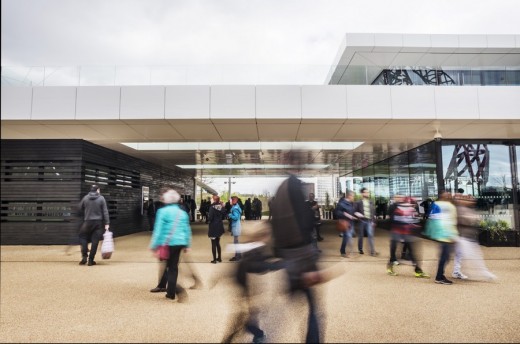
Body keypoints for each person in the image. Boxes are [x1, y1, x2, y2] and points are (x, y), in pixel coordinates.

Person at [270, 175, 323, 343]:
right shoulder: (293, 188)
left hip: (289, 260)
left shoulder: (281, 191)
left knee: (280, 313)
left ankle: (260, 335)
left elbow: (276, 231)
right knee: (313, 311)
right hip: (301, 260)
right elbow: (305, 224)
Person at [221, 223, 284, 344]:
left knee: (245, 318)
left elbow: (259, 262)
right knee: (244, 319)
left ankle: (254, 334)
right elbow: (258, 266)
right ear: (262, 236)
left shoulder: (251, 247)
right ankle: (256, 334)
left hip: (245, 288)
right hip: (247, 289)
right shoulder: (254, 249)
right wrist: (279, 264)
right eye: (267, 236)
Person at [149, 187, 192, 301]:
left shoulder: (162, 212)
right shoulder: (182, 213)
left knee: (168, 266)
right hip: (180, 242)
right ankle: (170, 292)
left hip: (167, 243)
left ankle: (176, 290)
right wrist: (187, 244)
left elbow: (158, 230)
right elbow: (187, 229)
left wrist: (153, 246)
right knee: (173, 267)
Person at [451, 194, 496, 281]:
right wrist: (473, 218)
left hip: (467, 237)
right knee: (471, 255)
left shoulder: (467, 209)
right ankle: (483, 272)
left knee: (461, 255)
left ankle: (457, 271)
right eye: (468, 200)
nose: (471, 202)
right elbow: (462, 220)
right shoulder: (459, 209)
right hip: (462, 237)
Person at [386, 195, 430, 278]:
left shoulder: (411, 210)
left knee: (412, 253)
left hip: (408, 235)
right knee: (397, 254)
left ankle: (418, 270)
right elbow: (397, 223)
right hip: (399, 234)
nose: (414, 205)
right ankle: (390, 267)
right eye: (413, 204)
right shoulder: (400, 210)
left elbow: (415, 222)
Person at [427, 192, 459, 285]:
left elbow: (432, 218)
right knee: (445, 257)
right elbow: (453, 222)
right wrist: (453, 235)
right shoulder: (451, 206)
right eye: (449, 196)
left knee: (444, 256)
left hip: (439, 234)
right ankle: (439, 276)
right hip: (447, 235)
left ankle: (440, 275)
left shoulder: (435, 204)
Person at [78, 185, 110, 266]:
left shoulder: (85, 198)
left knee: (83, 237)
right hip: (98, 223)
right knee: (95, 241)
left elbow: (79, 208)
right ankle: (91, 260)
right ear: (97, 190)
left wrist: (86, 213)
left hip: (87, 222)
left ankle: (84, 256)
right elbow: (105, 212)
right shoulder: (101, 198)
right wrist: (107, 223)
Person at [354, 187, 378, 256]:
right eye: (366, 192)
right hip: (361, 221)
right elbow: (354, 211)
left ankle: (372, 251)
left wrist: (374, 221)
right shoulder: (358, 202)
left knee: (371, 236)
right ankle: (360, 249)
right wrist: (359, 215)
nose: (368, 193)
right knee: (361, 236)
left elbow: (373, 212)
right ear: (362, 193)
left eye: (368, 192)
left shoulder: (371, 202)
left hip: (369, 221)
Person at [336, 191, 356, 258]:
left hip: (350, 223)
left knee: (348, 237)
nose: (353, 198)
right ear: (349, 196)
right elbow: (337, 213)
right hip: (345, 223)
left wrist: (354, 214)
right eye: (353, 196)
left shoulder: (351, 203)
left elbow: (352, 211)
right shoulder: (341, 204)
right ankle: (343, 251)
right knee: (347, 237)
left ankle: (346, 251)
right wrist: (345, 214)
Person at [208, 194, 226, 264]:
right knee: (218, 242)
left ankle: (214, 260)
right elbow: (224, 215)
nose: (211, 200)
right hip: (219, 226)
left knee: (213, 243)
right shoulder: (221, 206)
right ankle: (219, 258)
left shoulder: (212, 207)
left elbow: (210, 218)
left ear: (214, 199)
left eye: (211, 198)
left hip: (213, 227)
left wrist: (208, 218)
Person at [228, 195, 243, 261]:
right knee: (236, 241)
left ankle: (237, 256)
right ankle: (238, 255)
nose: (230, 201)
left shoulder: (235, 208)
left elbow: (236, 217)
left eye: (231, 200)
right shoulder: (236, 207)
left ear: (234, 200)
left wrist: (230, 215)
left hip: (236, 226)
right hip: (237, 225)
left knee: (236, 242)